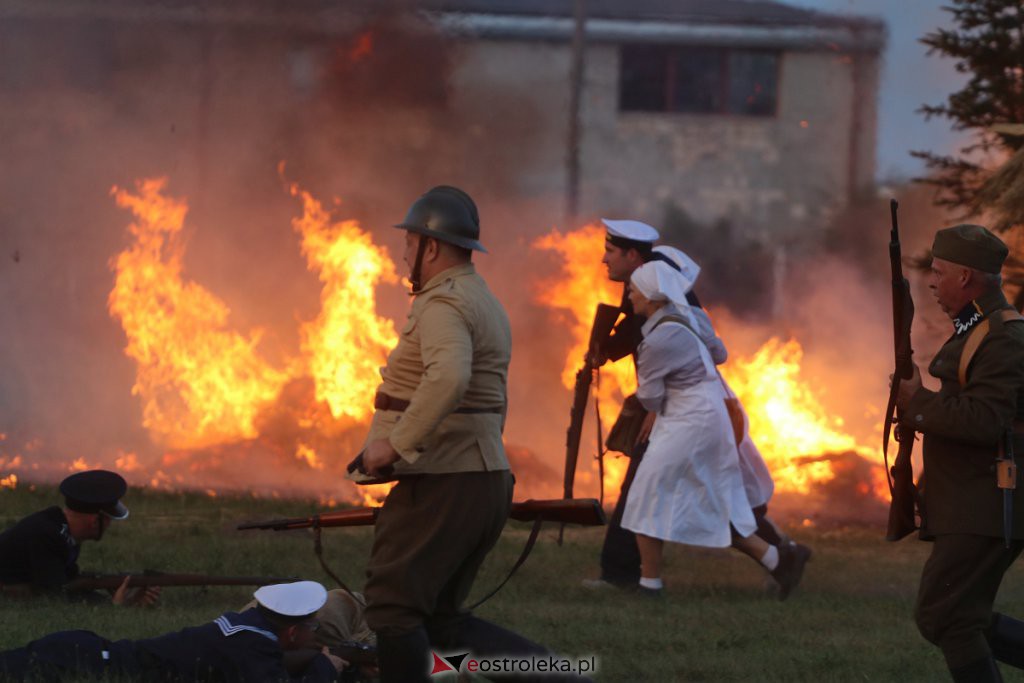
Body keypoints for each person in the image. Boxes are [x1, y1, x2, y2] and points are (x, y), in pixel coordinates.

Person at [351, 186, 590, 682]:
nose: (403, 252)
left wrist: (394, 445)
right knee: (440, 618)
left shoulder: (442, 304)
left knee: (393, 609)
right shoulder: (479, 297)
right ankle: (557, 675)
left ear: (431, 247)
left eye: (410, 242)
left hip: (445, 478)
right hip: (476, 475)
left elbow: (450, 378)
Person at [584, 222, 807, 596]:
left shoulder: (657, 283)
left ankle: (628, 576)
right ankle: (780, 557)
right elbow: (645, 333)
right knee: (710, 493)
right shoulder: (652, 284)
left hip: (684, 410)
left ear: (633, 256)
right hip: (685, 405)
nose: (604, 259)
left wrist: (656, 406)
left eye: (611, 251)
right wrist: (603, 353)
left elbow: (674, 352)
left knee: (649, 492)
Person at [896, 224, 1024, 682]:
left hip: (989, 500)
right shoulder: (977, 329)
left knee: (946, 616)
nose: (931, 281)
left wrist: (918, 403)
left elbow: (984, 419)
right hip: (972, 499)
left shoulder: (1002, 337)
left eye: (939, 271)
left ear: (966, 277)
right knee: (955, 616)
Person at [0, 580, 346, 682]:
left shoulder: (248, 632)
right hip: (82, 662)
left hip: (86, 649)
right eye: (312, 627)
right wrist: (326, 667)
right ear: (290, 633)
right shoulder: (253, 648)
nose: (316, 632)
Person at [0, 469, 159, 606]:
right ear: (94, 521)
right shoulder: (46, 536)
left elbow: (69, 582)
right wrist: (112, 605)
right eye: (108, 518)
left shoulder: (61, 531)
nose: (110, 523)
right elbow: (54, 598)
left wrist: (117, 587)